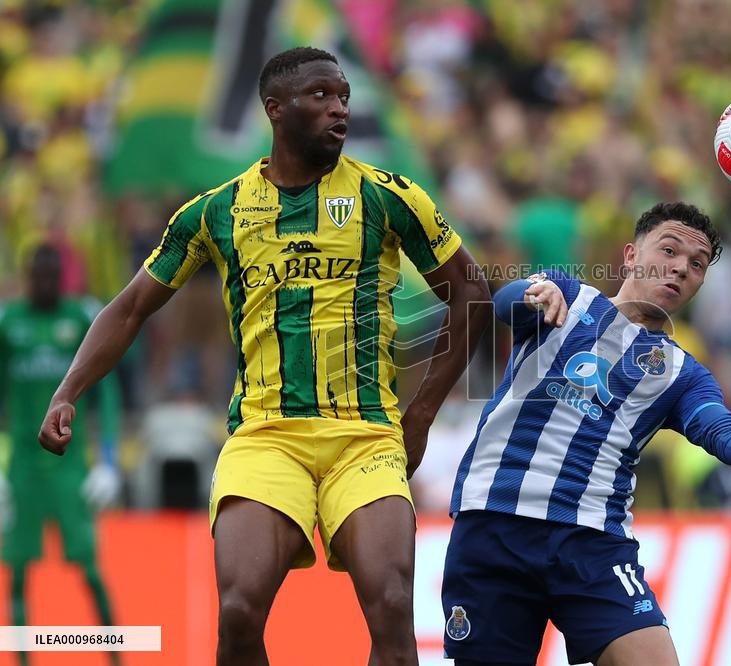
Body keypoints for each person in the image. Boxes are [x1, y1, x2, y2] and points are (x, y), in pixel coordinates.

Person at [38, 47, 490, 666]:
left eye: (344, 97)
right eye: (321, 96)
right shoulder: (217, 211)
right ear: (275, 109)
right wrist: (68, 390)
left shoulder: (389, 196)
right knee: (238, 611)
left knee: (390, 605)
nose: (339, 109)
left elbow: (472, 293)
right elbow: (131, 307)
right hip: (266, 435)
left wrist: (421, 415)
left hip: (365, 436)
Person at [442, 202, 731, 666]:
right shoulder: (567, 296)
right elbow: (504, 304)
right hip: (495, 520)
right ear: (631, 255)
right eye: (669, 250)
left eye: (697, 265)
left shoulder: (681, 373)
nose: (681, 268)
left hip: (591, 540)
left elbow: (719, 430)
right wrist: (534, 294)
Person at [0, 244, 122, 666]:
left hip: (70, 468)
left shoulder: (81, 319)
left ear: (61, 278)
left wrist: (108, 461)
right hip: (22, 469)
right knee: (17, 572)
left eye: (52, 276)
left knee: (90, 569)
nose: (44, 284)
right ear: (27, 278)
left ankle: (116, 658)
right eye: (37, 276)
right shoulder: (8, 322)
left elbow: (107, 391)